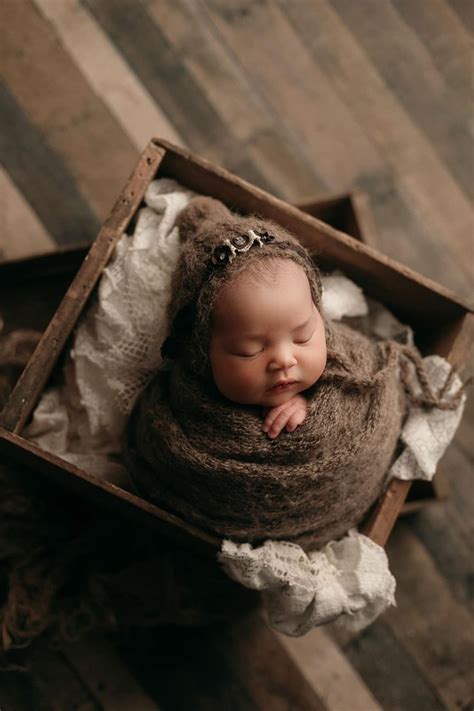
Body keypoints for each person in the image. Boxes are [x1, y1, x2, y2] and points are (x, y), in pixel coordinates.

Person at [124, 197, 460, 551]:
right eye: (249, 350)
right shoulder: (179, 424)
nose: (284, 359)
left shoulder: (353, 364)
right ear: (199, 353)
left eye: (302, 335)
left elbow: (376, 393)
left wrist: (308, 404)